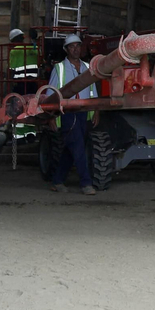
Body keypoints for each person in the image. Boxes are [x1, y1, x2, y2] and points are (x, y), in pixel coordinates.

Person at [48, 33, 97, 194]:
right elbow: (51, 94)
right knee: (78, 146)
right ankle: (86, 183)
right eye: (72, 47)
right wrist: (52, 116)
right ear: (66, 50)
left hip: (83, 113)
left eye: (78, 46)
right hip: (67, 113)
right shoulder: (59, 68)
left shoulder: (88, 67)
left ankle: (57, 180)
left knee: (71, 148)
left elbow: (93, 91)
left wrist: (96, 111)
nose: (75, 49)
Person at [7, 28, 40, 144]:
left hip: (20, 84)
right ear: (22, 38)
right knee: (31, 107)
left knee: (18, 108)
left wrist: (10, 83)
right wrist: (35, 41)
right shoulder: (33, 49)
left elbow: (11, 70)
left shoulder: (14, 52)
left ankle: (18, 136)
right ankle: (30, 133)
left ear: (12, 40)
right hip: (33, 84)